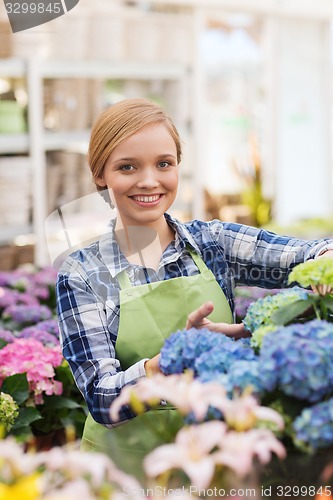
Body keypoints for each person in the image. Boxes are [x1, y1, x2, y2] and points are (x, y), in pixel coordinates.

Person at [56, 98, 333, 475]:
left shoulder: (213, 243)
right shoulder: (83, 273)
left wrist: (314, 277)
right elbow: (103, 399)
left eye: (164, 164)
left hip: (215, 467)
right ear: (101, 175)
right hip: (122, 470)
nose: (150, 180)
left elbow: (309, 255)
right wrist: (170, 361)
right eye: (127, 167)